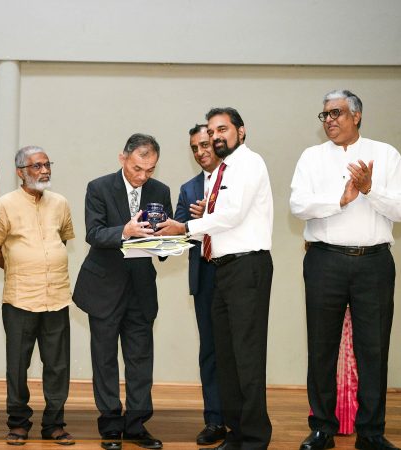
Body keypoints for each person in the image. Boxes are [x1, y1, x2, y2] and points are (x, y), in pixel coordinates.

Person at [290, 90, 401, 450]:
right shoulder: (311, 157)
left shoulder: (386, 154)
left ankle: (371, 432)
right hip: (324, 260)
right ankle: (322, 428)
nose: (329, 120)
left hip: (374, 263)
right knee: (321, 347)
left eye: (337, 113)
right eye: (325, 114)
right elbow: (298, 204)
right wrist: (340, 199)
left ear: (356, 116)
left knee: (373, 349)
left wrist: (370, 189)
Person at [157, 107, 274, 450]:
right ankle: (236, 433)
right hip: (222, 269)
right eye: (211, 131)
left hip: (247, 267)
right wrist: (170, 233)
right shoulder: (222, 170)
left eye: (222, 129)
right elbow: (214, 223)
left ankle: (255, 438)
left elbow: (232, 215)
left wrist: (186, 226)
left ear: (241, 131)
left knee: (247, 357)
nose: (215, 136)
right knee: (226, 357)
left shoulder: (249, 163)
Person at [73, 133, 170, 450]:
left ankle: (137, 426)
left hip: (141, 289)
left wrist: (171, 240)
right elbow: (94, 233)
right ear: (123, 158)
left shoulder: (160, 191)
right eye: (137, 168)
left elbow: (164, 243)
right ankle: (111, 427)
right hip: (104, 287)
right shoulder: (99, 187)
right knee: (104, 360)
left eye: (150, 170)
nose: (143, 176)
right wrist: (125, 232)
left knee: (141, 360)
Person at [0, 146, 75, 446]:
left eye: (47, 164)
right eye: (37, 166)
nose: (44, 170)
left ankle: (54, 424)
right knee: (17, 366)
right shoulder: (4, 205)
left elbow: (62, 240)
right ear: (20, 172)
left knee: (58, 366)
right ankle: (18, 423)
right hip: (20, 299)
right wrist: (20, 267)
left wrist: (43, 264)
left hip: (57, 297)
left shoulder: (61, 203)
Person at [174, 124, 225, 446]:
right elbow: (178, 229)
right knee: (210, 351)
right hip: (205, 274)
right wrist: (193, 223)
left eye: (205, 145)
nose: (200, 152)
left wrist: (211, 216)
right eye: (194, 147)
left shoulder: (235, 180)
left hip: (235, 273)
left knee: (237, 351)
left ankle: (240, 418)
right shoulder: (189, 188)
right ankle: (215, 420)